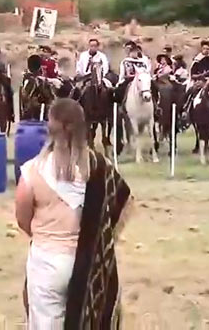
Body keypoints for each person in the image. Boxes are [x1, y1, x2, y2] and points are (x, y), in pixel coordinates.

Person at [15, 98, 132, 328]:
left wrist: (42, 234)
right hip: (88, 262)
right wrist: (100, 238)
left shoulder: (33, 171)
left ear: (50, 127)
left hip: (46, 260)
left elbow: (22, 219)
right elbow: (121, 202)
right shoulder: (100, 167)